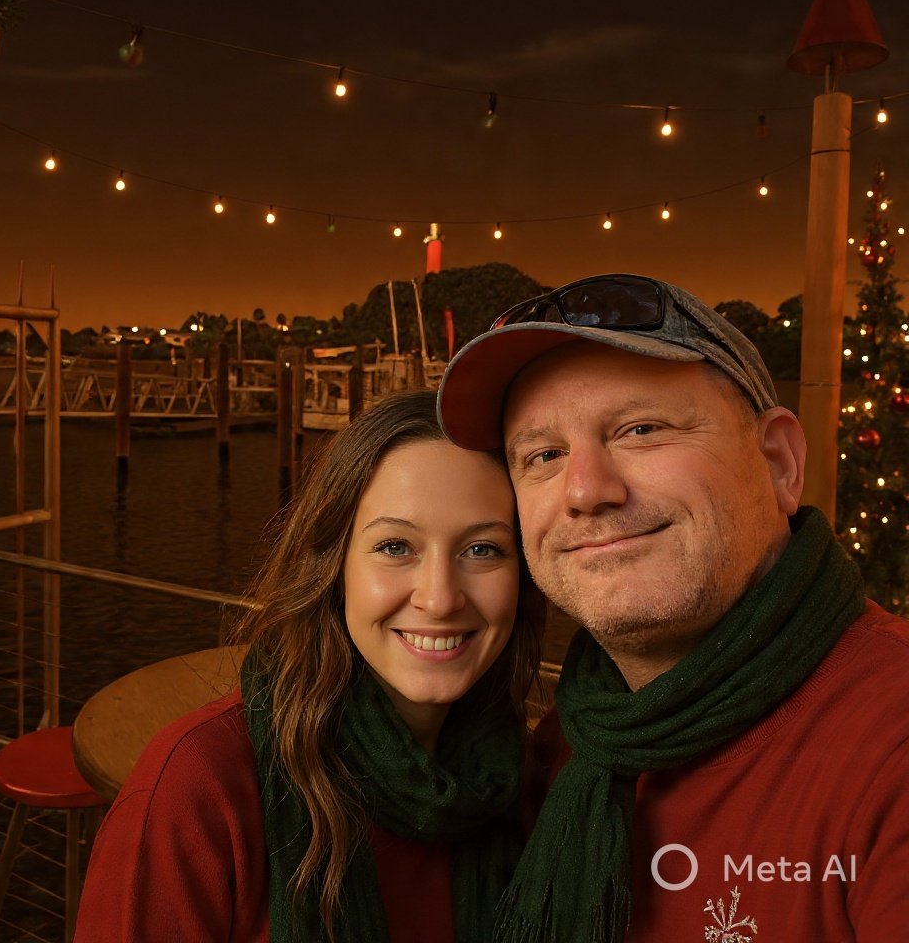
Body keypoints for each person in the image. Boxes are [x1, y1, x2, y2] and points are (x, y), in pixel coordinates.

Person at [437, 273, 909, 942]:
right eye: (543, 454)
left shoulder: (888, 748)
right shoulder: (566, 750)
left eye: (640, 429)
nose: (586, 491)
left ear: (779, 463)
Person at [74, 389, 544, 943]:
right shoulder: (200, 786)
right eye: (395, 547)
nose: (440, 598)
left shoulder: (519, 774)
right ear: (333, 568)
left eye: (482, 550)